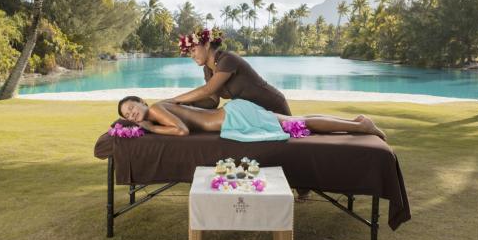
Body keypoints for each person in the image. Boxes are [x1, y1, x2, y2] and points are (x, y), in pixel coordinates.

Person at [117, 95, 386, 141]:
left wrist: (150, 128)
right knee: (297, 120)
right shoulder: (158, 107)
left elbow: (181, 131)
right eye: (128, 115)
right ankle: (355, 122)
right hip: (235, 113)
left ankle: (361, 125)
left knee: (296, 124)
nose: (133, 114)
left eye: (132, 108)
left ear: (141, 102)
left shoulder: (153, 111)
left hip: (235, 119)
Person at [165, 28, 291, 115]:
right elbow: (212, 101)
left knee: (295, 135)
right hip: (256, 114)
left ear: (207, 45)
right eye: (189, 52)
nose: (191, 56)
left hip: (272, 104)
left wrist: (173, 100)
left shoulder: (227, 59)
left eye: (193, 50)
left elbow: (207, 90)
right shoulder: (208, 69)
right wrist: (186, 105)